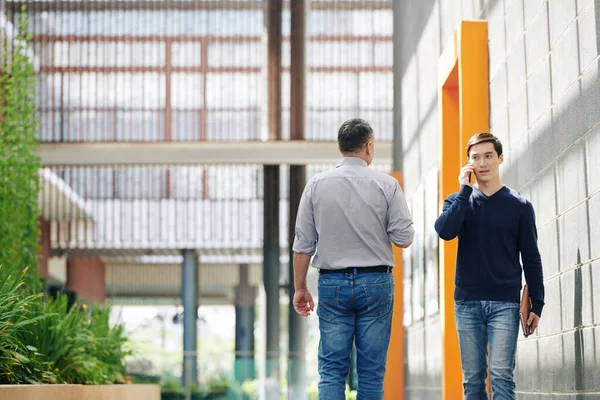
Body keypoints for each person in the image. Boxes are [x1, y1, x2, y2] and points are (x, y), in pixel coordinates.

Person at [291, 118, 414, 400]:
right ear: (369, 147)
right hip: (376, 282)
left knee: (332, 369)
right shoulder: (387, 185)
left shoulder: (316, 185)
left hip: (332, 283)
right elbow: (404, 239)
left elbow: (303, 245)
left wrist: (300, 288)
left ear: (340, 147)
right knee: (371, 371)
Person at [434, 132, 545, 400]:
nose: (482, 163)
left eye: (488, 156)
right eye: (475, 158)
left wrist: (537, 304)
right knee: (472, 381)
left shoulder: (519, 205)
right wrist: (463, 190)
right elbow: (445, 231)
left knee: (501, 376)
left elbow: (531, 257)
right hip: (467, 304)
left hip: (505, 304)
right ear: (468, 163)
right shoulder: (458, 201)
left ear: (500, 158)